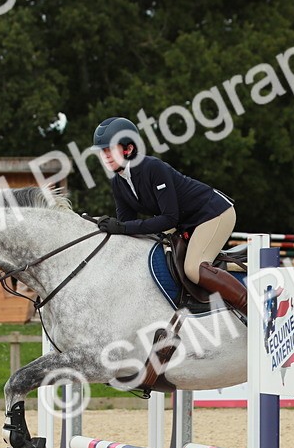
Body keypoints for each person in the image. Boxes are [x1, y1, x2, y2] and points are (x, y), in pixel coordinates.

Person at [91, 117, 242, 308]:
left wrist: (121, 227)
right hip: (184, 223)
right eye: (102, 151)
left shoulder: (152, 167)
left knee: (193, 269)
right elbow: (127, 226)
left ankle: (253, 306)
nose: (105, 156)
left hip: (213, 214)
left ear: (129, 149)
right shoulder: (118, 183)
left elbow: (169, 217)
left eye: (110, 149)